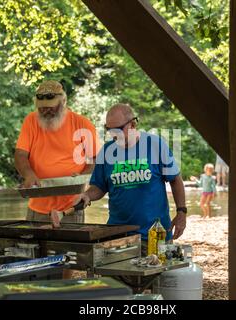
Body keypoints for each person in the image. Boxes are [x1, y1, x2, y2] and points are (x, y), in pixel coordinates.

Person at [73, 104, 187, 256]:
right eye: (109, 130)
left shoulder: (155, 145)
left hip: (154, 235)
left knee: (154, 278)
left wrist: (181, 212)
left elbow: (175, 180)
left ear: (133, 124)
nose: (113, 135)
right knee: (115, 279)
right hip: (117, 235)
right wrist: (87, 195)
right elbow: (99, 187)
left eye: (118, 129)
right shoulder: (106, 151)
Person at [14, 80, 98, 224]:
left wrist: (82, 179)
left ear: (63, 102)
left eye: (51, 107)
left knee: (70, 246)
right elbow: (20, 154)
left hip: (71, 208)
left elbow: (95, 159)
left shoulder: (82, 123)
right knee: (32, 246)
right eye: (42, 108)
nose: (46, 111)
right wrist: (29, 174)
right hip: (38, 207)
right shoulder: (30, 121)